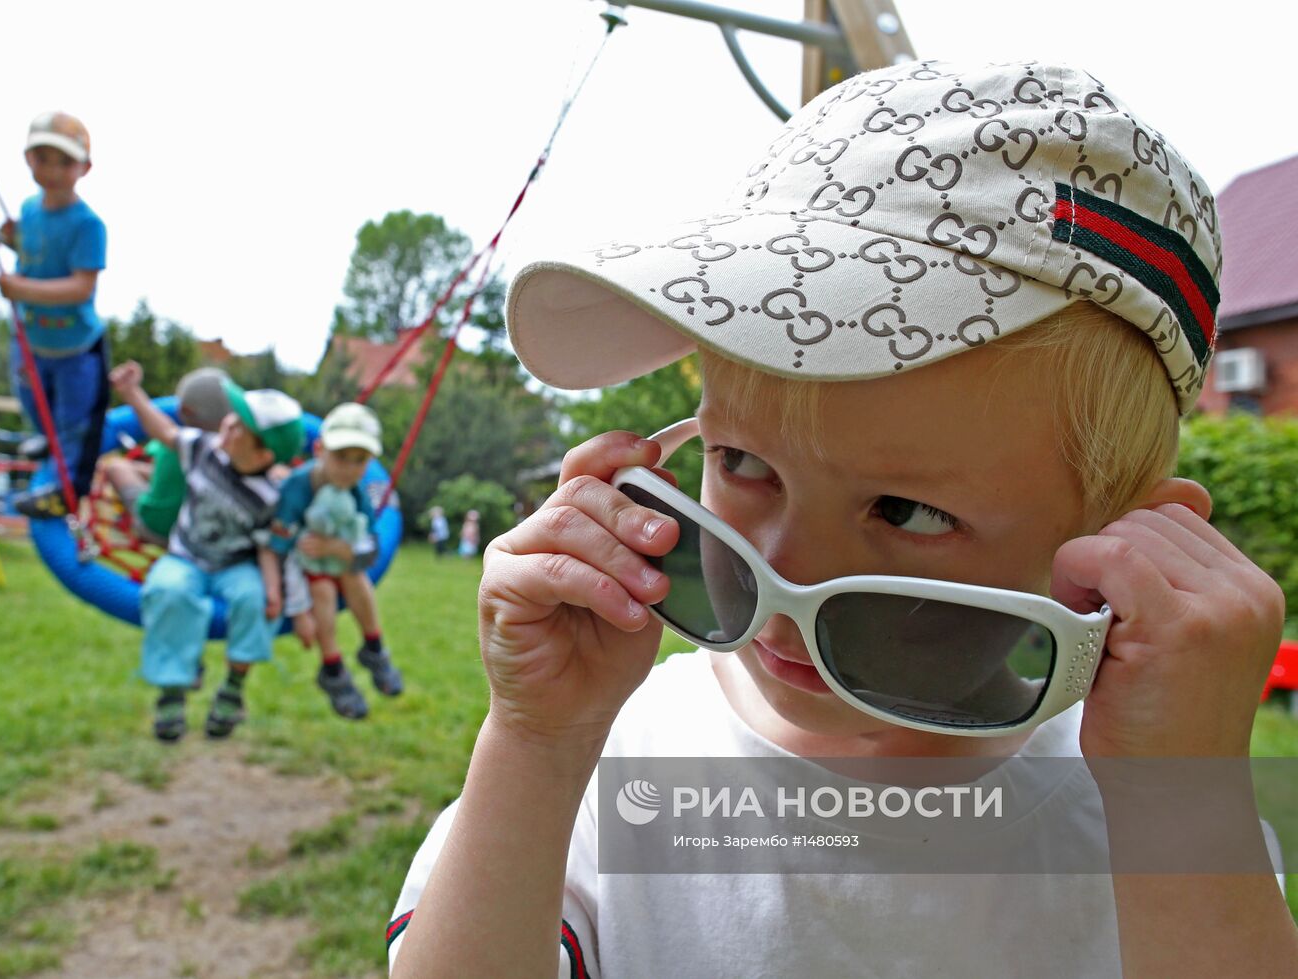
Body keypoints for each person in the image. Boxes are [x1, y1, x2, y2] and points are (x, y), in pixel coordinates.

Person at [387, 61, 1297, 977]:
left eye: (907, 509)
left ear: (1127, 550)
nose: (789, 567)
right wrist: (536, 744)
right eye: (742, 461)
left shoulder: (1159, 822)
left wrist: (1180, 800)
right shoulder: (618, 759)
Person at [110, 359, 304, 743]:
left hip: (237, 565)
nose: (225, 424)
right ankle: (172, 691)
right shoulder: (203, 449)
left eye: (237, 425)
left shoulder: (274, 495)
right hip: (185, 555)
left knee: (255, 601)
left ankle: (233, 686)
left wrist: (275, 591)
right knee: (167, 591)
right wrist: (132, 393)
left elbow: (270, 546)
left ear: (263, 455)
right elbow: (164, 430)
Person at [0, 111, 109, 519]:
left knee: (76, 419)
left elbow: (81, 286)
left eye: (65, 161)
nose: (53, 169)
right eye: (43, 157)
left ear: (84, 168)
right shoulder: (29, 211)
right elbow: (36, 254)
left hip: (77, 346)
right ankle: (46, 439)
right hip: (31, 340)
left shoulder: (88, 224)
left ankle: (65, 492)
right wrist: (8, 239)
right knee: (30, 397)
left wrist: (20, 289)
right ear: (28, 158)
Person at [271, 403, 403, 719]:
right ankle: (332, 667)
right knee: (324, 592)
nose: (349, 468)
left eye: (360, 461)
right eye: (341, 457)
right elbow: (277, 543)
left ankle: (374, 648)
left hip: (337, 562)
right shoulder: (298, 486)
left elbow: (369, 540)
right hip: (299, 568)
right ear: (320, 449)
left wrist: (341, 549)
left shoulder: (356, 491)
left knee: (354, 574)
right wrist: (297, 607)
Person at [103, 367, 232, 547]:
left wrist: (130, 391)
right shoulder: (228, 453)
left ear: (183, 410)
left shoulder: (187, 444)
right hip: (193, 532)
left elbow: (159, 425)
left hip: (155, 528)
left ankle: (125, 522)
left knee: (116, 466)